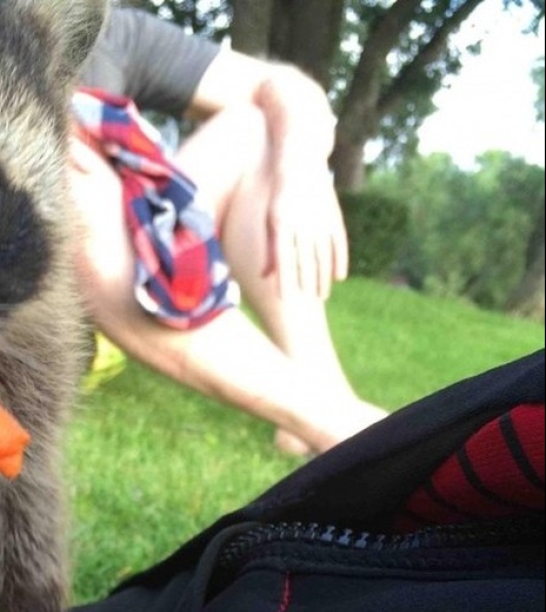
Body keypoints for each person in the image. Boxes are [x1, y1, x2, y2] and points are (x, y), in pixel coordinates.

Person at [70, 6, 387, 456]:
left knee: (258, 126)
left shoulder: (109, 32)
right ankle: (341, 427)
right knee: (63, 168)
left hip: (130, 289)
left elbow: (284, 88)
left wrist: (300, 169)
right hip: (28, 307)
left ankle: (322, 391)